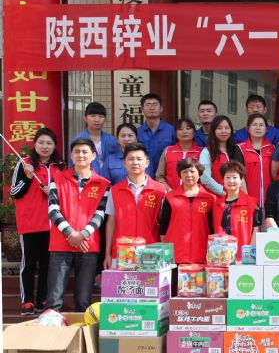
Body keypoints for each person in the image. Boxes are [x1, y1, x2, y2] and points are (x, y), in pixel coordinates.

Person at [46, 138, 110, 312]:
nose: (80, 155)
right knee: (54, 299)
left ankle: (82, 330)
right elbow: (53, 210)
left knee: (83, 300)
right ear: (71, 155)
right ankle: (52, 328)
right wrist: (71, 234)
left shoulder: (103, 183)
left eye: (85, 152)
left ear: (93, 155)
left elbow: (100, 214)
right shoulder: (58, 178)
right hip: (60, 244)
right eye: (77, 152)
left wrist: (82, 235)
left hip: (88, 246)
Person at [10, 128, 63, 315]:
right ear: (35, 144)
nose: (45, 146)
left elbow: (67, 193)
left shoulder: (60, 166)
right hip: (30, 223)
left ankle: (42, 299)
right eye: (41, 142)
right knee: (29, 264)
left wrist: (54, 192)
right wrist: (28, 177)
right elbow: (14, 192)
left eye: (49, 143)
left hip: (52, 224)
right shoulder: (24, 164)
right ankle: (27, 301)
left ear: (54, 145)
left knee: (47, 264)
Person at [104, 143, 167, 270]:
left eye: (139, 159)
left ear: (147, 163)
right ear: (124, 163)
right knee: (123, 283)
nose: (135, 162)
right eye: (131, 159)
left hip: (151, 251)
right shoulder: (115, 190)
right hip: (122, 252)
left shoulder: (159, 190)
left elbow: (163, 224)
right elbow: (111, 222)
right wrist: (107, 254)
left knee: (149, 283)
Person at [160, 158, 217, 265]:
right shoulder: (170, 197)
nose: (189, 175)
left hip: (202, 254)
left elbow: (213, 228)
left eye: (192, 171)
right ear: (180, 175)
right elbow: (163, 227)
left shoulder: (210, 199)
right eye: (184, 172)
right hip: (175, 256)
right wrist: (165, 251)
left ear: (199, 174)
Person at [213, 161, 262, 261]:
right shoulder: (217, 204)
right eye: (227, 177)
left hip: (243, 256)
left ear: (241, 180)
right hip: (221, 257)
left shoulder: (252, 203)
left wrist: (249, 254)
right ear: (223, 180)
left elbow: (256, 230)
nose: (231, 181)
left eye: (235, 177)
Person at [199, 115, 245, 196]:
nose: (224, 131)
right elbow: (205, 178)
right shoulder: (207, 152)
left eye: (227, 128)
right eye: (219, 128)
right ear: (213, 131)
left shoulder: (236, 150)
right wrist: (223, 193)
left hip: (237, 197)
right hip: (216, 197)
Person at [70, 102, 118, 179]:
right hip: (86, 180)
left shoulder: (112, 140)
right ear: (85, 118)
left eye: (101, 116)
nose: (97, 119)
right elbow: (72, 165)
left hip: (109, 180)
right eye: (92, 116)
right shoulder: (78, 140)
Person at [156, 118, 204, 191]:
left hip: (194, 194)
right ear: (175, 134)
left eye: (188, 128)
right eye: (180, 129)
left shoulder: (202, 152)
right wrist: (169, 190)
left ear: (194, 133)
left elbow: (205, 177)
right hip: (171, 194)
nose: (184, 132)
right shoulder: (168, 151)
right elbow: (159, 176)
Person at [239, 113, 275, 210]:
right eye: (254, 125)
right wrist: (247, 199)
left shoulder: (272, 148)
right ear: (248, 129)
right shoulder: (240, 148)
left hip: (269, 199)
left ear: (266, 129)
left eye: (261, 125)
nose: (258, 128)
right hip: (248, 199)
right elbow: (239, 176)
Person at [136, 93, 176, 177]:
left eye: (155, 104)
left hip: (165, 177)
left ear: (161, 108)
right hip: (143, 177)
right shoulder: (137, 132)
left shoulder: (171, 130)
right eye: (148, 105)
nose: (152, 108)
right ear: (142, 109)